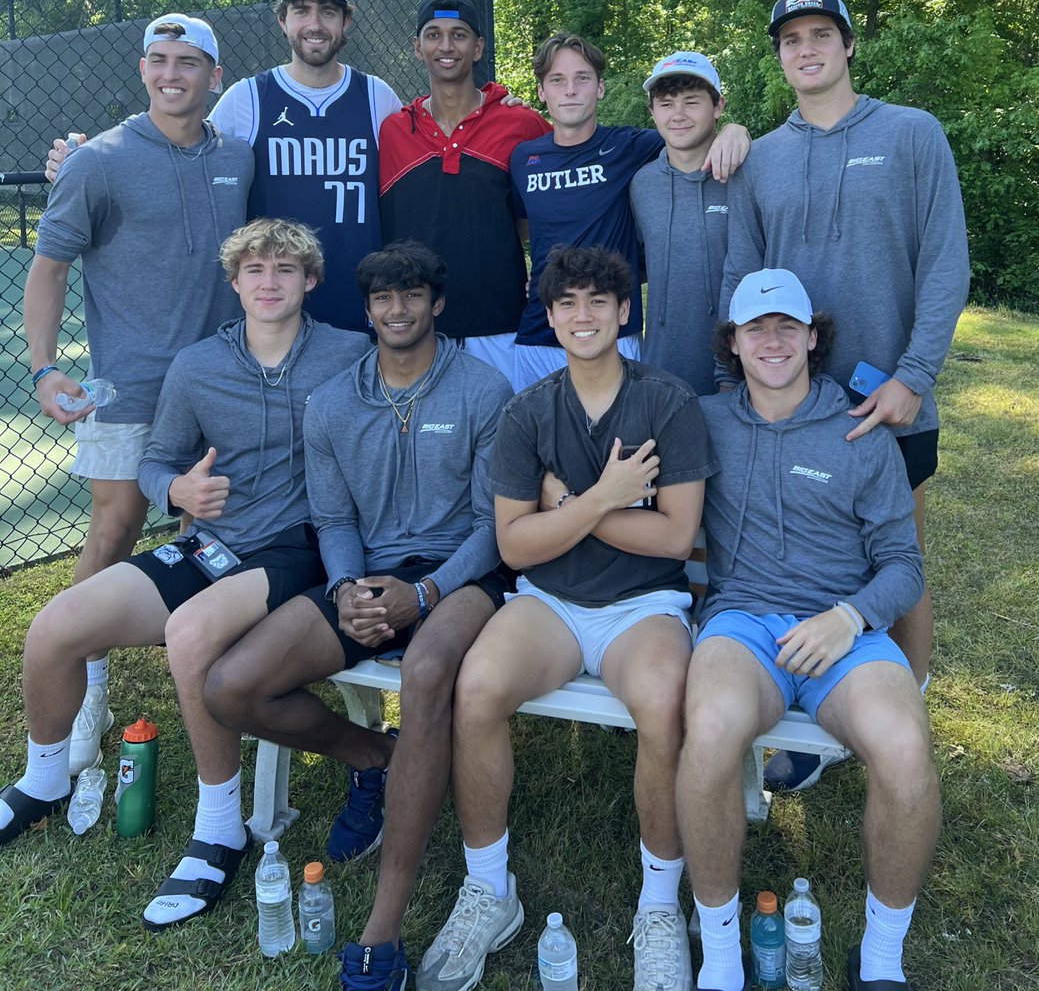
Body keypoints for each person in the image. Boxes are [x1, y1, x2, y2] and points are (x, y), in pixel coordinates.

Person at [2, 220, 368, 935]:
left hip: (298, 548)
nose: (268, 281)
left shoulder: (350, 357)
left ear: (310, 281)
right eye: (254, 269)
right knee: (56, 625)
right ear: (232, 283)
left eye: (285, 269)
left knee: (190, 633)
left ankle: (220, 827)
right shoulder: (197, 364)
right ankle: (43, 780)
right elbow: (157, 459)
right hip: (212, 543)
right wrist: (176, 493)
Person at [201, 240, 514, 991]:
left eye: (412, 295)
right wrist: (346, 589)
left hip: (463, 580)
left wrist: (429, 592)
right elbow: (332, 518)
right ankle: (376, 760)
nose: (397, 310)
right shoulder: (334, 402)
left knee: (429, 669)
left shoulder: (483, 390)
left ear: (436, 304)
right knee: (232, 687)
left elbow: (493, 526)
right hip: (367, 579)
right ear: (366, 308)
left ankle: (384, 927)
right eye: (382, 298)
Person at [419, 245, 717, 991]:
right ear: (548, 318)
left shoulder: (667, 401)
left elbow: (675, 536)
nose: (581, 316)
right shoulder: (529, 411)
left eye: (596, 302)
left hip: (643, 605)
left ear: (623, 311)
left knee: (662, 704)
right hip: (548, 601)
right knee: (477, 689)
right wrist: (606, 497)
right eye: (566, 304)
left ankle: (656, 904)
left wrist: (569, 508)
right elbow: (515, 541)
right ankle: (490, 889)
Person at [721, 0, 970, 791]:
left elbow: (944, 264)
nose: (805, 49)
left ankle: (901, 709)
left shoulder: (910, 133)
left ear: (849, 43)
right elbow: (741, 274)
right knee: (790, 558)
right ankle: (803, 724)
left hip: (886, 402)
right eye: (789, 39)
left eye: (820, 33)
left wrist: (913, 376)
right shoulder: (760, 154)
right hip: (781, 402)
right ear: (778, 56)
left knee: (899, 561)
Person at [677, 269, 939, 991]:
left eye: (786, 326)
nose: (771, 340)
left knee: (903, 744)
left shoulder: (858, 431)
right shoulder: (702, 420)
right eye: (754, 328)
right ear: (730, 343)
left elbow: (902, 567)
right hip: (742, 623)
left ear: (812, 336)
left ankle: (881, 959)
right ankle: (723, 952)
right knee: (711, 729)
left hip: (845, 631)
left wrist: (848, 616)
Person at [24, 13, 253, 773]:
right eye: (158, 60)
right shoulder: (102, 161)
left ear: (213, 76)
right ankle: (88, 686)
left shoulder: (240, 158)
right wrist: (44, 367)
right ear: (143, 69)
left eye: (187, 61)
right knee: (117, 524)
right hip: (128, 389)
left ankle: (220, 680)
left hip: (220, 384)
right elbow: (50, 267)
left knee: (212, 534)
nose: (171, 74)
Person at [509, 32, 750, 390]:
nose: (570, 90)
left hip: (613, 332)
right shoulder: (523, 159)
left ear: (601, 88)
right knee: (541, 441)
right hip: (537, 334)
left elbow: (691, 134)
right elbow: (524, 229)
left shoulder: (631, 147)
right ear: (542, 92)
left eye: (582, 79)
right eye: (557, 81)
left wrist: (735, 130)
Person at [209, 0, 402, 331]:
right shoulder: (247, 98)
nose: (315, 25)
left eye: (328, 12)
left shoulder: (376, 96)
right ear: (282, 20)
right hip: (275, 311)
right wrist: (86, 155)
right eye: (301, 11)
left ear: (345, 21)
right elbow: (184, 152)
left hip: (360, 309)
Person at [378, 0, 551, 387]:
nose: (446, 46)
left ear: (478, 47)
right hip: (415, 327)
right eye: (433, 35)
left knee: (504, 439)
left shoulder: (520, 122)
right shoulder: (392, 130)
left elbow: (548, 209)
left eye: (459, 35)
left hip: (500, 324)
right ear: (417, 47)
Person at [629, 51, 734, 396]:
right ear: (652, 112)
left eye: (691, 102)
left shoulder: (745, 174)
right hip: (662, 369)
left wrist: (738, 133)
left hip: (742, 371)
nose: (678, 115)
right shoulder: (641, 185)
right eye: (666, 103)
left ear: (718, 106)